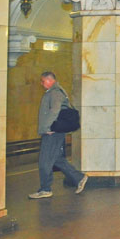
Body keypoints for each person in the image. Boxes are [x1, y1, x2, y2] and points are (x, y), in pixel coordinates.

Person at [29, 71, 87, 199]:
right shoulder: (56, 92)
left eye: (43, 81)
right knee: (56, 159)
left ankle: (45, 189)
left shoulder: (55, 93)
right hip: (54, 131)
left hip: (52, 132)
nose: (41, 84)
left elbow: (54, 111)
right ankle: (79, 177)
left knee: (44, 161)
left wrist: (47, 127)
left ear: (49, 80)